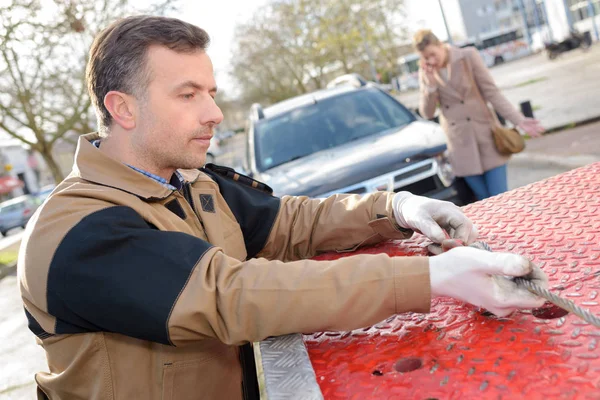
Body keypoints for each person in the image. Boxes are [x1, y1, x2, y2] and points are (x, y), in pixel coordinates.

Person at [19, 16, 548, 400]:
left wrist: (395, 208)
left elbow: (291, 221)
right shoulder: (77, 232)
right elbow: (230, 294)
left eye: (211, 91)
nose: (215, 112)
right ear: (122, 108)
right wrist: (429, 276)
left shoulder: (189, 183)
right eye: (187, 95)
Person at [414, 30, 545, 201]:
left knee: (500, 197)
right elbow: (427, 112)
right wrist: (430, 87)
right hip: (460, 144)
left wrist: (518, 120)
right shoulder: (427, 73)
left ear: (440, 45)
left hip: (487, 136)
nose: (431, 60)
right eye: (426, 58)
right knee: (483, 200)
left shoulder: (467, 56)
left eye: (432, 54)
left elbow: (492, 93)